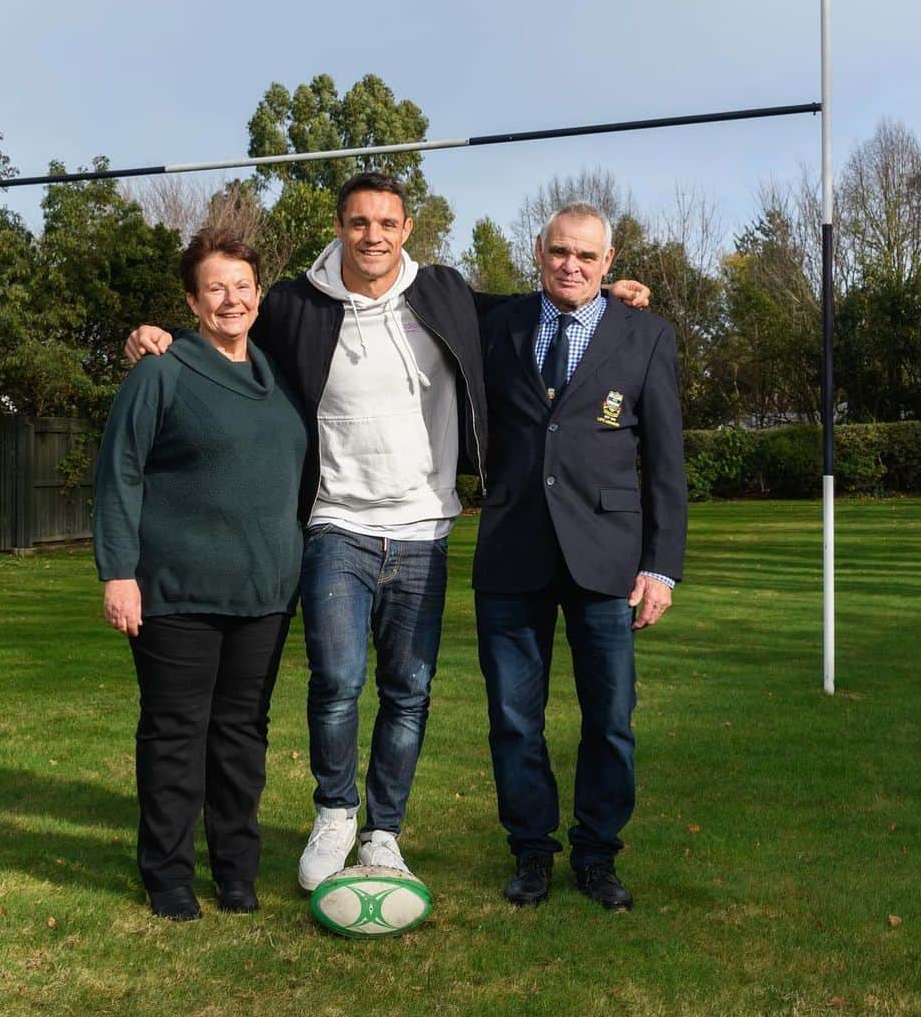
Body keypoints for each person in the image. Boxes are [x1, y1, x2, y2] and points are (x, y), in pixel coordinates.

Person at [124, 173, 651, 893]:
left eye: (387, 223)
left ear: (407, 230)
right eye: (359, 222)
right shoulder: (295, 304)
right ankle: (335, 813)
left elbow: (534, 310)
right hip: (336, 525)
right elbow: (228, 329)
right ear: (339, 227)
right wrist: (162, 336)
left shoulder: (441, 293)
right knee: (337, 682)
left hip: (423, 529)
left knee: (410, 689)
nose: (373, 235)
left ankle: (382, 832)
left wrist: (608, 300)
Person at [473, 202, 687, 910]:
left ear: (610, 261)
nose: (571, 265)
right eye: (560, 251)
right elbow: (403, 291)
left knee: (611, 720)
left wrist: (661, 565)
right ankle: (531, 852)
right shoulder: (495, 323)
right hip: (511, 553)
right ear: (538, 250)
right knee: (513, 719)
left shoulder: (647, 335)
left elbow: (664, 462)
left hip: (609, 560)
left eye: (587, 257)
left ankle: (598, 854)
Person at [94, 228, 307, 921]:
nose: (231, 299)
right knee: (177, 737)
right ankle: (168, 877)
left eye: (242, 286)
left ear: (258, 295)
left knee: (242, 740)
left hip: (265, 594)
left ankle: (238, 874)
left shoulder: (276, 375)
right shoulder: (162, 371)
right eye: (215, 287)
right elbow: (119, 472)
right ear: (192, 300)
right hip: (177, 592)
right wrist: (118, 572)